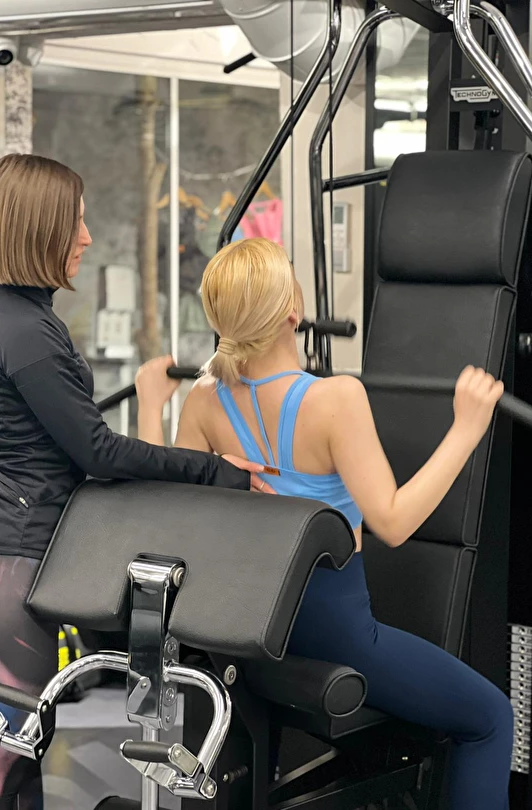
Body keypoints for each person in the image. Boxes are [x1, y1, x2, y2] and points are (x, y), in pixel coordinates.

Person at [0, 154, 274, 810]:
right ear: (39, 231)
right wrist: (215, 471)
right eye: (76, 225)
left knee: (16, 754)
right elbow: (96, 450)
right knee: (3, 764)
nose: (86, 239)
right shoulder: (25, 330)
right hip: (0, 565)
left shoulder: (8, 312)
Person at [135, 236, 513, 810]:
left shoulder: (204, 401)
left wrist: (148, 404)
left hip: (248, 640)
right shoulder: (336, 399)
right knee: (490, 719)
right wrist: (467, 427)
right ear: (292, 310)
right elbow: (393, 522)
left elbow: (167, 516)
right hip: (336, 636)